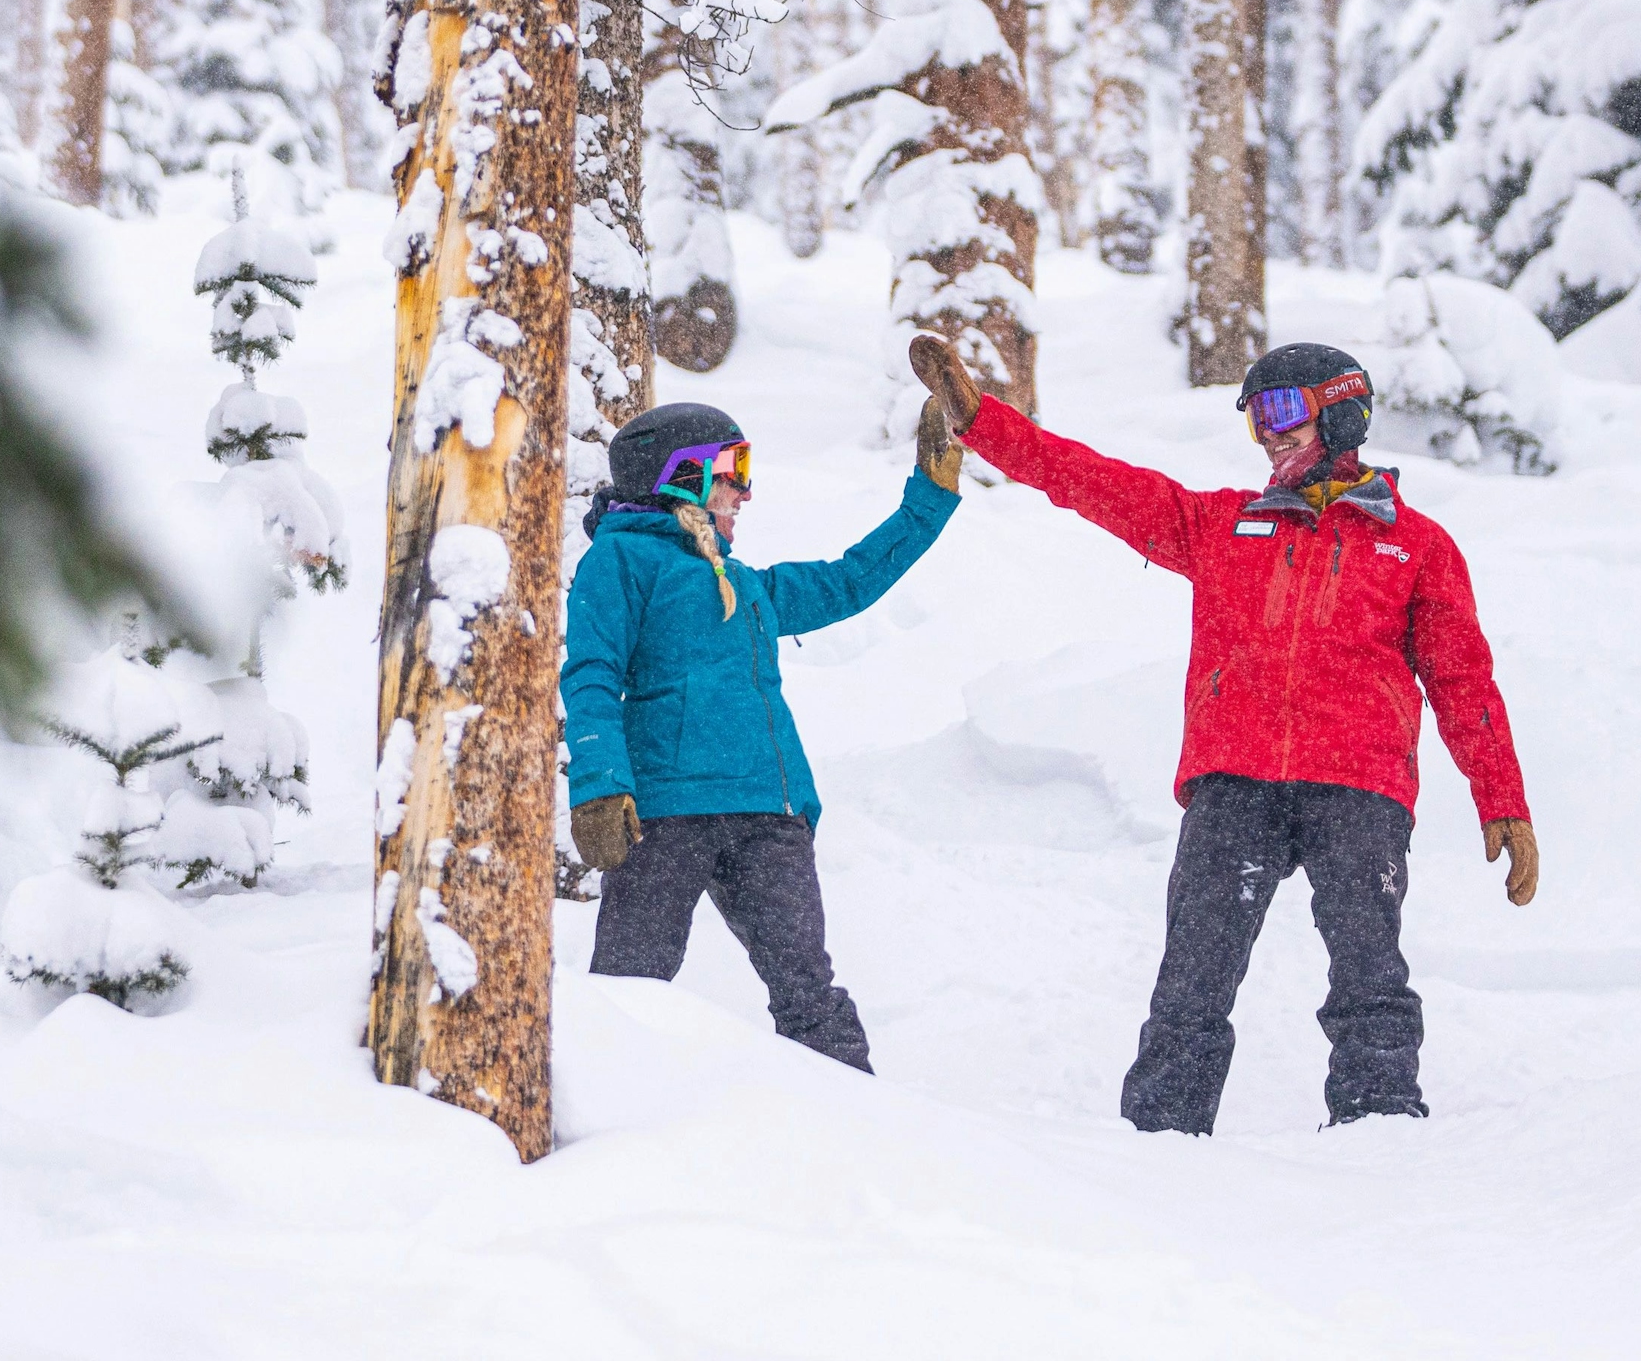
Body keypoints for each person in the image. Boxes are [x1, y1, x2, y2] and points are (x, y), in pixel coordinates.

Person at [908, 333, 1537, 1132]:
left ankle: (1379, 1123)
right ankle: (1162, 1134)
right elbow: (1095, 484)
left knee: (1369, 969)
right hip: (1235, 780)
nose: (1267, 434)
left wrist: (1502, 802)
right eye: (1254, 418)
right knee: (1192, 976)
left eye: (1281, 411)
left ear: (1342, 414)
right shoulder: (1221, 525)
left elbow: (1464, 682)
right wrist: (981, 424)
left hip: (1358, 785)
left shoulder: (1415, 547)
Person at [560, 397, 966, 1070]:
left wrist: (930, 497)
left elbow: (848, 581)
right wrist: (599, 784)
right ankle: (599, 1118)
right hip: (666, 814)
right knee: (626, 991)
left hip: (765, 814)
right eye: (733, 469)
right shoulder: (622, 562)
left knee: (809, 992)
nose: (745, 491)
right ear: (680, 475)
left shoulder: (740, 583)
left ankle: (868, 1132)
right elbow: (592, 673)